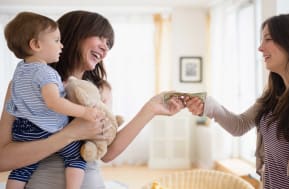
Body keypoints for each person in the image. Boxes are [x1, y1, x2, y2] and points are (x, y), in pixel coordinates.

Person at [0, 10, 183, 189]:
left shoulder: (100, 90)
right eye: (100, 37)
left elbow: (107, 152)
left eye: (109, 44)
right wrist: (71, 133)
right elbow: (2, 160)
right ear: (72, 34)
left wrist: (150, 109)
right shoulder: (23, 86)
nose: (105, 48)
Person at [185, 14, 289, 188]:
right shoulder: (276, 93)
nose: (260, 48)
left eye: (268, 39)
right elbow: (239, 125)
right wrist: (208, 105)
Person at [4, 11, 102, 189]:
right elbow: (54, 103)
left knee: (23, 169)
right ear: (35, 44)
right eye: (57, 41)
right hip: (46, 129)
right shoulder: (46, 73)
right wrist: (85, 112)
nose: (61, 46)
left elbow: (14, 104)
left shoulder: (19, 71)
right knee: (75, 157)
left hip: (22, 131)